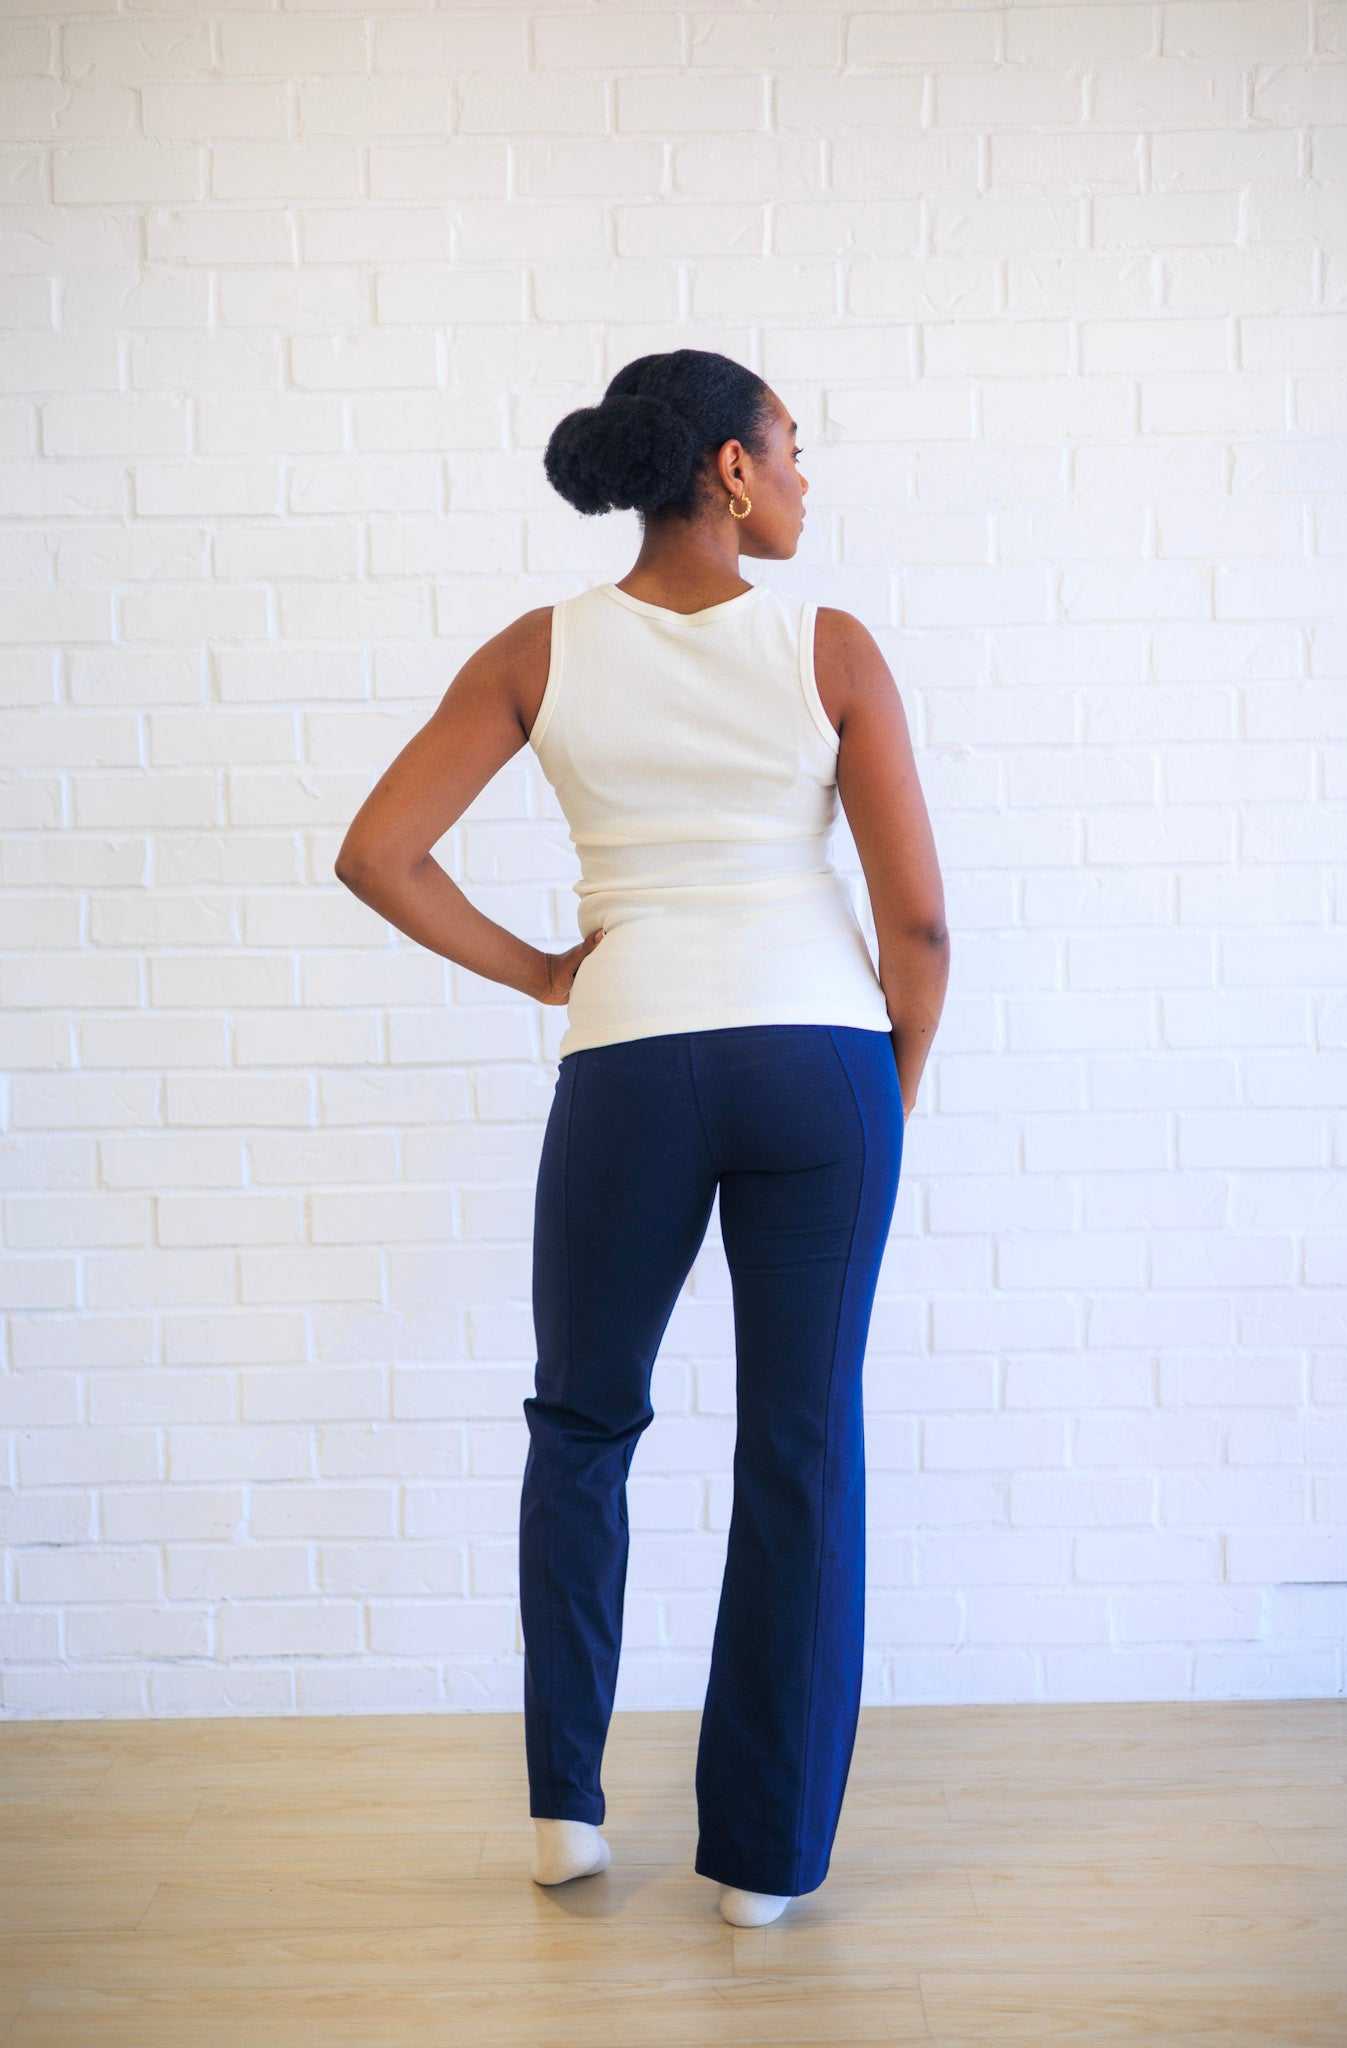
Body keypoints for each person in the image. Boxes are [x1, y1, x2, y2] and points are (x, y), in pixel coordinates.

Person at [335, 347, 949, 1928]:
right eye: (793, 448)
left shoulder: (540, 651)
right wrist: (891, 1079)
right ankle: (762, 1870)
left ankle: (562, 1816)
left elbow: (380, 854)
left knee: (583, 1426)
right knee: (802, 1446)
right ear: (731, 471)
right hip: (819, 1060)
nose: (807, 477)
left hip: (627, 1063)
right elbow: (922, 927)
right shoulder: (831, 647)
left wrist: (549, 969)